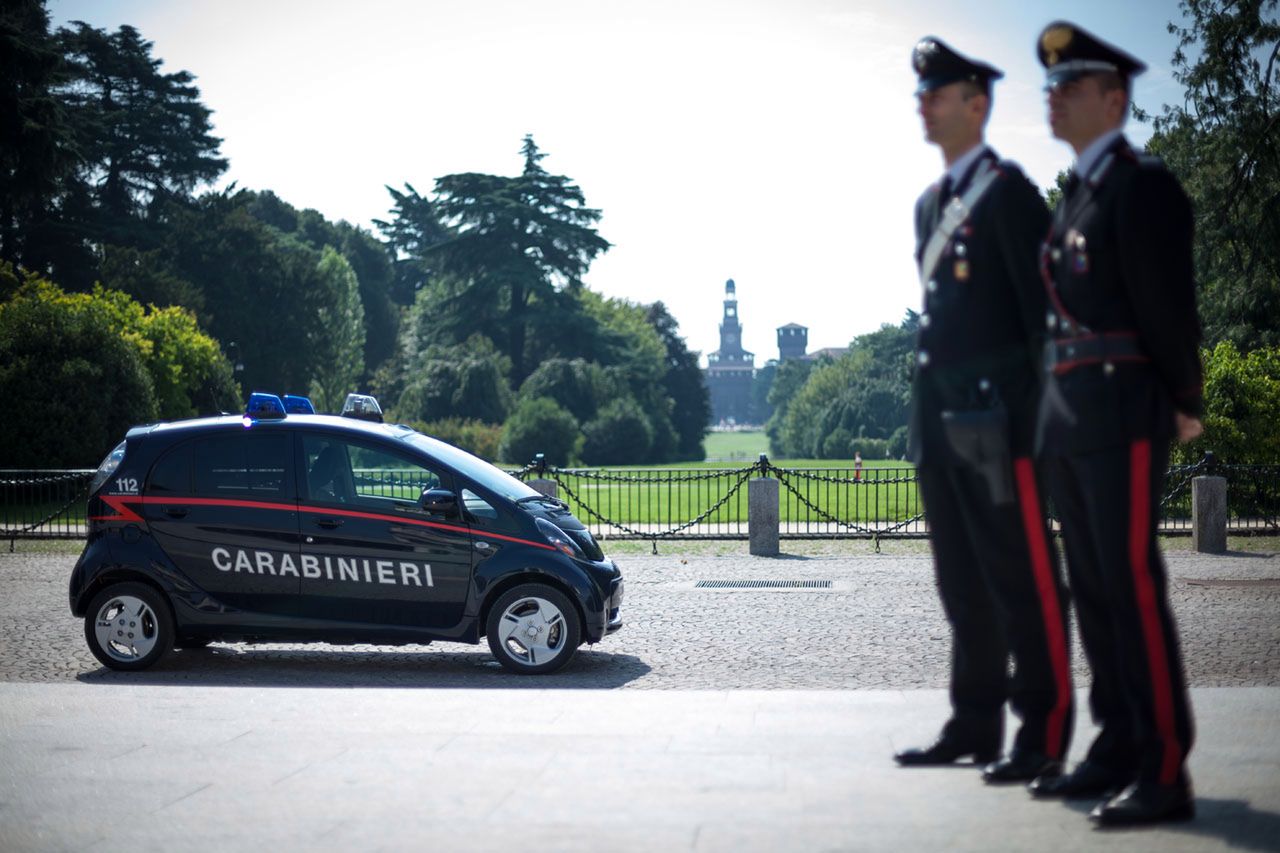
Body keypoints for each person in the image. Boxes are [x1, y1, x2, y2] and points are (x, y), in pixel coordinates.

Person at [1030, 21, 1202, 826]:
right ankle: (1116, 743)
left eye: (1070, 85)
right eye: (1051, 87)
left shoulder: (1143, 187)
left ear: (1114, 97)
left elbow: (1168, 305)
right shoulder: (1076, 196)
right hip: (1071, 413)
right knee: (1093, 588)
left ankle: (1164, 764)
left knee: (1131, 586)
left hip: (1124, 404)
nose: (1054, 98)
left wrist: (1186, 398)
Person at [895, 37, 1074, 786]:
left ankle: (1041, 730)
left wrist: (1034, 420)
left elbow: (1044, 321)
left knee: (1023, 577)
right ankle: (973, 721)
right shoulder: (930, 205)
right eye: (921, 94)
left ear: (978, 104)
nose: (924, 105)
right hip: (941, 427)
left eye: (938, 93)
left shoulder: (1010, 195)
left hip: (998, 426)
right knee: (959, 580)